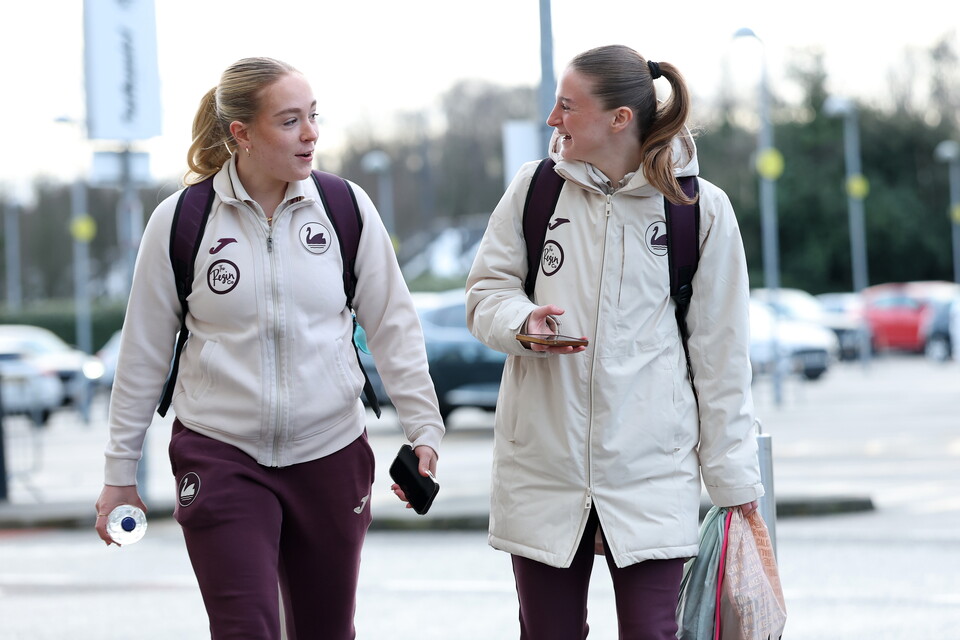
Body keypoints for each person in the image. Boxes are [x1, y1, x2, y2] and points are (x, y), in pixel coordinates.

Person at [94, 57, 444, 639]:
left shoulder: (345, 208)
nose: (310, 134)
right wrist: (118, 473)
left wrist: (425, 429)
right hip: (221, 454)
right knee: (244, 628)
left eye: (313, 117)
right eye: (289, 121)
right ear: (242, 134)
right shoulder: (181, 221)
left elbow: (394, 326)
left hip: (331, 450)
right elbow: (141, 355)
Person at [465, 45, 763, 639]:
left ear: (619, 118)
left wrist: (734, 486)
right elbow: (485, 294)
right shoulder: (534, 190)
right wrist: (522, 323)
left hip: (652, 471)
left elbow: (722, 360)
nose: (552, 119)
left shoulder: (699, 209)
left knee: (652, 632)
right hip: (543, 467)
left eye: (567, 106)